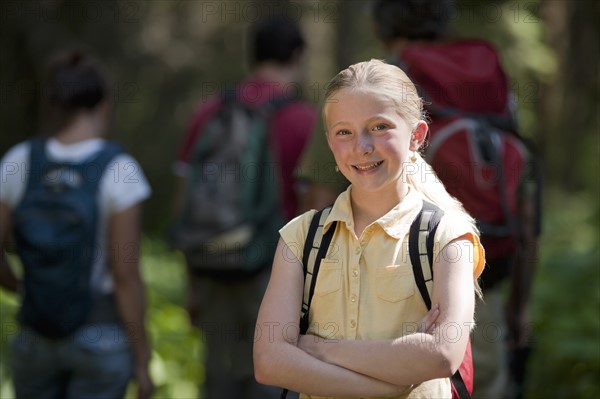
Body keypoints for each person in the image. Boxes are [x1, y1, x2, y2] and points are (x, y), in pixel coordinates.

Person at [296, 2, 540, 397]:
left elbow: (318, 203)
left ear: (378, 24)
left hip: (384, 292)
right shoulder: (485, 84)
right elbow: (525, 215)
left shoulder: (365, 87)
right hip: (486, 285)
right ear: (445, 21)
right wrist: (519, 308)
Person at [254, 59, 485, 398]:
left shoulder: (449, 236)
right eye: (344, 132)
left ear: (416, 136)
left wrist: (316, 348)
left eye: (379, 127)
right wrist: (393, 379)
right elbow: (269, 361)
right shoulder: (300, 237)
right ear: (331, 144)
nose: (362, 147)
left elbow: (442, 354)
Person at [170, 17, 316, 399]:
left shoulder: (209, 113)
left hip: (213, 263)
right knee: (274, 379)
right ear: (298, 56)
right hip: (275, 272)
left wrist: (192, 283)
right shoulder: (302, 120)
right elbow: (314, 209)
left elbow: (185, 202)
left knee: (218, 377)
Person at [0, 50, 154, 398]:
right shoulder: (120, 170)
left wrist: (23, 290)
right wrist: (142, 359)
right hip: (99, 336)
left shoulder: (19, 160)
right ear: (104, 105)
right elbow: (125, 275)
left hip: (34, 336)